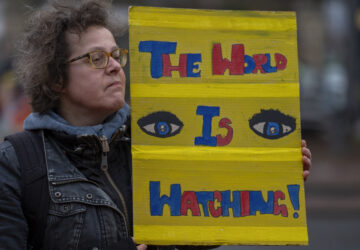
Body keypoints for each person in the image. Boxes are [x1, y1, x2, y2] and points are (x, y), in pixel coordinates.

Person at [0, 1, 312, 249]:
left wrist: (269, 177)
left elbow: (191, 233)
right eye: (96, 58)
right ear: (55, 80)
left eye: (115, 55)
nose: (113, 67)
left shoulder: (153, 139)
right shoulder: (18, 163)